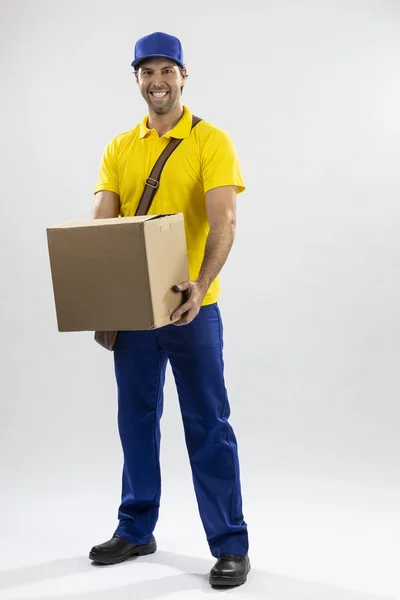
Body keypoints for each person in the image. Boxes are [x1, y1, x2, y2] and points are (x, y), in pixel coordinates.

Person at [88, 31, 250, 588]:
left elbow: (224, 220)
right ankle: (136, 528)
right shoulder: (119, 145)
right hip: (134, 310)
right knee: (135, 421)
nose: (157, 81)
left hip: (191, 309)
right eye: (146, 71)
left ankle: (230, 544)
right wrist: (98, 291)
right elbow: (102, 225)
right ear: (136, 78)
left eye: (166, 70)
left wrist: (200, 286)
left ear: (183, 75)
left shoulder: (210, 141)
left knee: (207, 423)